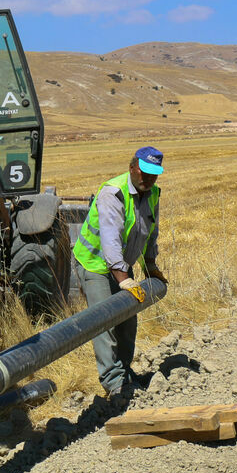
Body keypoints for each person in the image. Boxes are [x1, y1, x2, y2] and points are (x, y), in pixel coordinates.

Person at [71, 146, 168, 404]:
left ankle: (124, 373)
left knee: (127, 319)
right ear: (132, 167)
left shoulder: (153, 193)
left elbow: (150, 231)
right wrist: (123, 278)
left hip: (121, 264)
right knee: (105, 322)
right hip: (95, 263)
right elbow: (110, 238)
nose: (148, 179)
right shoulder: (112, 193)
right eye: (144, 172)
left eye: (154, 174)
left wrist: (150, 265)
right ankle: (114, 383)